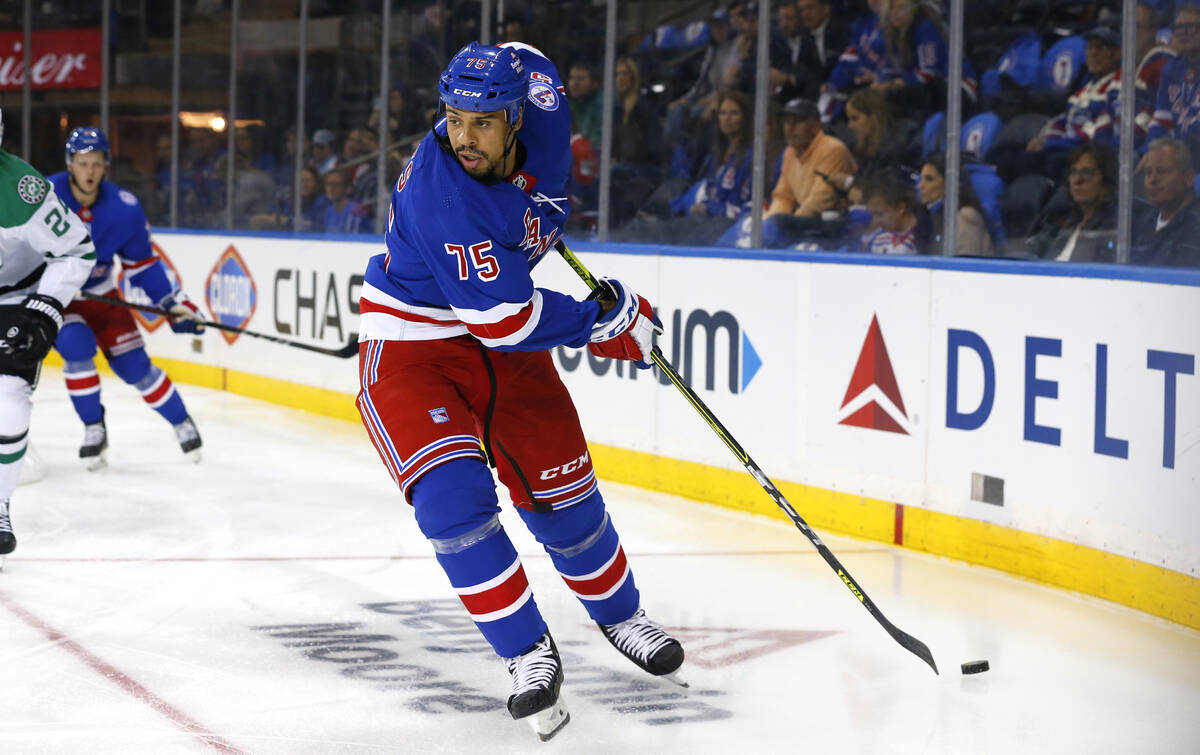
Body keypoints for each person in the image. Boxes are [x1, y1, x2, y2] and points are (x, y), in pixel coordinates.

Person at [356, 42, 684, 741]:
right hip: (418, 349)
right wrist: (603, 320)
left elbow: (531, 56)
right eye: (452, 119)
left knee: (562, 489)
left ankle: (621, 614)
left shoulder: (546, 110)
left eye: (480, 122)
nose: (462, 136)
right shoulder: (439, 193)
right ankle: (527, 651)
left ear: (514, 117)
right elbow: (505, 320)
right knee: (453, 502)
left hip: (502, 329)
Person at [48, 127, 206, 470]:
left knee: (136, 367)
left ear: (106, 165)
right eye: (82, 163)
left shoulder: (124, 208)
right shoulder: (45, 194)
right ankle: (94, 428)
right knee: (76, 346)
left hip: (103, 296)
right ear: (69, 164)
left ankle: (182, 422)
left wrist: (171, 303)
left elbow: (143, 266)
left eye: (96, 163)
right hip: (61, 299)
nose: (89, 171)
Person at [0, 110, 97, 561]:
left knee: (7, 402)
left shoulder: (22, 190)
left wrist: (45, 306)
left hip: (13, 302)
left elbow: (77, 250)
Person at [764, 98, 857, 245]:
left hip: (834, 224)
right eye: (787, 122)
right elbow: (783, 197)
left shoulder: (832, 149)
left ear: (815, 125)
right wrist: (768, 223)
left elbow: (820, 201)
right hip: (804, 220)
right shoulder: (789, 152)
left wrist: (788, 225)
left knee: (778, 225)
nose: (790, 128)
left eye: (798, 122)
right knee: (754, 223)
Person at [1026, 144, 1118, 263]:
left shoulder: (1114, 228)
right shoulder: (1060, 221)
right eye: (1073, 172)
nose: (1077, 180)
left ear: (1106, 179)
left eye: (1087, 172)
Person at [1132, 138, 1200, 267]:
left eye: (1162, 171)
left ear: (1189, 178)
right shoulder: (1142, 219)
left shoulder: (1196, 225)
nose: (1152, 180)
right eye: (1148, 173)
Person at [1147, 5, 1200, 153]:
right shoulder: (1171, 69)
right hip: (1176, 156)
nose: (1182, 33)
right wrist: (1152, 152)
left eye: (1190, 27)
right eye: (1179, 28)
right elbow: (1161, 121)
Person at [918, 152, 993, 256]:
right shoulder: (929, 216)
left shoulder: (965, 217)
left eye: (929, 179)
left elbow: (965, 266)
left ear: (949, 183)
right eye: (921, 178)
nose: (920, 185)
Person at [859, 168, 934, 254]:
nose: (875, 221)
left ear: (900, 208)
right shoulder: (878, 240)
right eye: (872, 215)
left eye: (879, 214)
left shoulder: (927, 238)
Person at [320, 169, 368, 234]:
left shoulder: (355, 210)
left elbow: (354, 241)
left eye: (336, 184)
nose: (331, 188)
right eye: (329, 184)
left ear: (346, 188)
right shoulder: (328, 211)